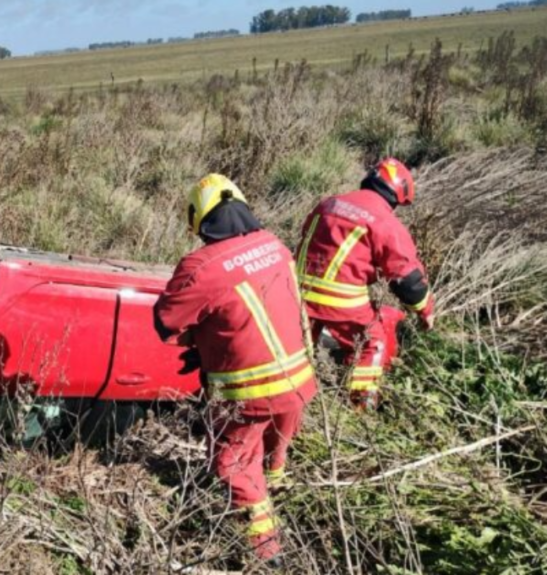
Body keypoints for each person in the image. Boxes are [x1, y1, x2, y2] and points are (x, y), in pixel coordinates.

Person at [154, 174, 316, 567]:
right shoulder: (276, 246)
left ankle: (268, 551)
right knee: (274, 444)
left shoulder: (199, 266)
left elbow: (165, 323)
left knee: (232, 463)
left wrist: (199, 343)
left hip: (250, 392)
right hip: (300, 382)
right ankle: (277, 479)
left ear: (199, 219)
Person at [295, 158, 434, 411]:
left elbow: (306, 237)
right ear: (396, 195)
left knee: (301, 343)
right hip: (341, 299)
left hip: (297, 292)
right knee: (372, 340)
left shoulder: (329, 203)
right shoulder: (384, 221)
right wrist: (425, 311)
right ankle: (362, 405)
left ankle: (298, 394)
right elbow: (408, 281)